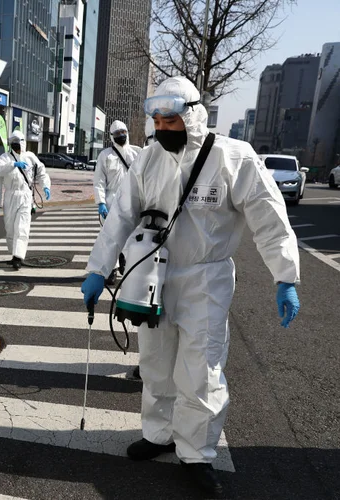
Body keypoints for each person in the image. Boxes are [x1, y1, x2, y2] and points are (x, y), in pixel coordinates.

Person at [81, 76, 301, 495]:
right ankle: (158, 432)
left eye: (171, 120)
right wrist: (98, 267)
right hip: (153, 275)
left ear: (192, 116)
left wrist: (285, 275)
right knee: (156, 362)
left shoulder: (233, 157)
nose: (163, 129)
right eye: (158, 121)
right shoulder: (147, 160)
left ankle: (197, 453)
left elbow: (269, 219)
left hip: (206, 278)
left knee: (200, 369)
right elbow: (121, 217)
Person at [0, 130, 51, 270]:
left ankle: (18, 257)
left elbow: (41, 173)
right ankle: (13, 252)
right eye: (14, 144)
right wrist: (13, 165)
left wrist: (46, 187)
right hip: (10, 195)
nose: (17, 147)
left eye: (18, 144)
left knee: (22, 227)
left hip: (25, 195)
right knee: (10, 228)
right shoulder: (4, 158)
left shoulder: (31, 157)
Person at [95, 120, 142, 285]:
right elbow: (99, 181)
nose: (121, 135)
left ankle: (127, 263)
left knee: (132, 236)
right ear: (111, 136)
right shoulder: (105, 155)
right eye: (117, 133)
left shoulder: (137, 153)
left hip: (132, 199)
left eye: (123, 132)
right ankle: (112, 269)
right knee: (110, 236)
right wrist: (101, 202)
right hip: (111, 200)